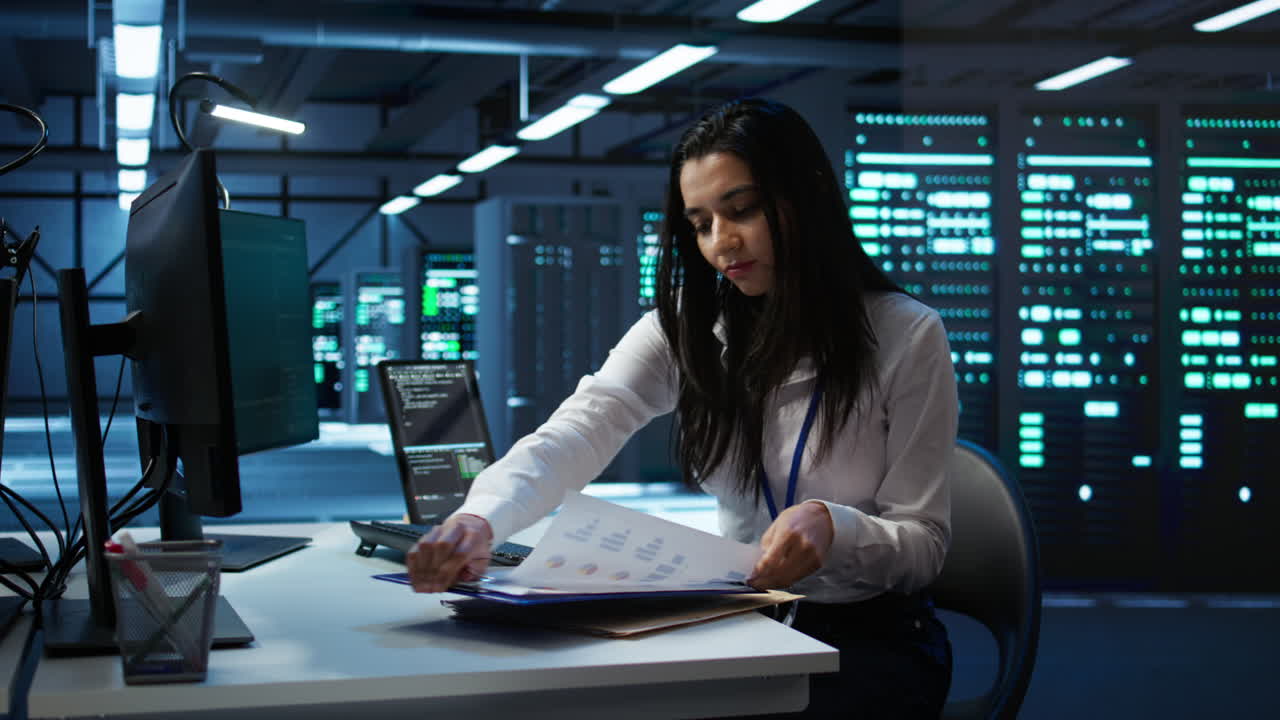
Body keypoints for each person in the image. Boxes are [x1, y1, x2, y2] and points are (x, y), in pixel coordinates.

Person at [407, 97, 958, 719]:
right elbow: (579, 430)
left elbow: (924, 543)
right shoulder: (684, 328)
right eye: (700, 224)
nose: (722, 242)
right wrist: (480, 518)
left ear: (804, 197)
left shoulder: (907, 334)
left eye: (742, 210)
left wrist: (837, 528)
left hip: (867, 636)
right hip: (744, 618)